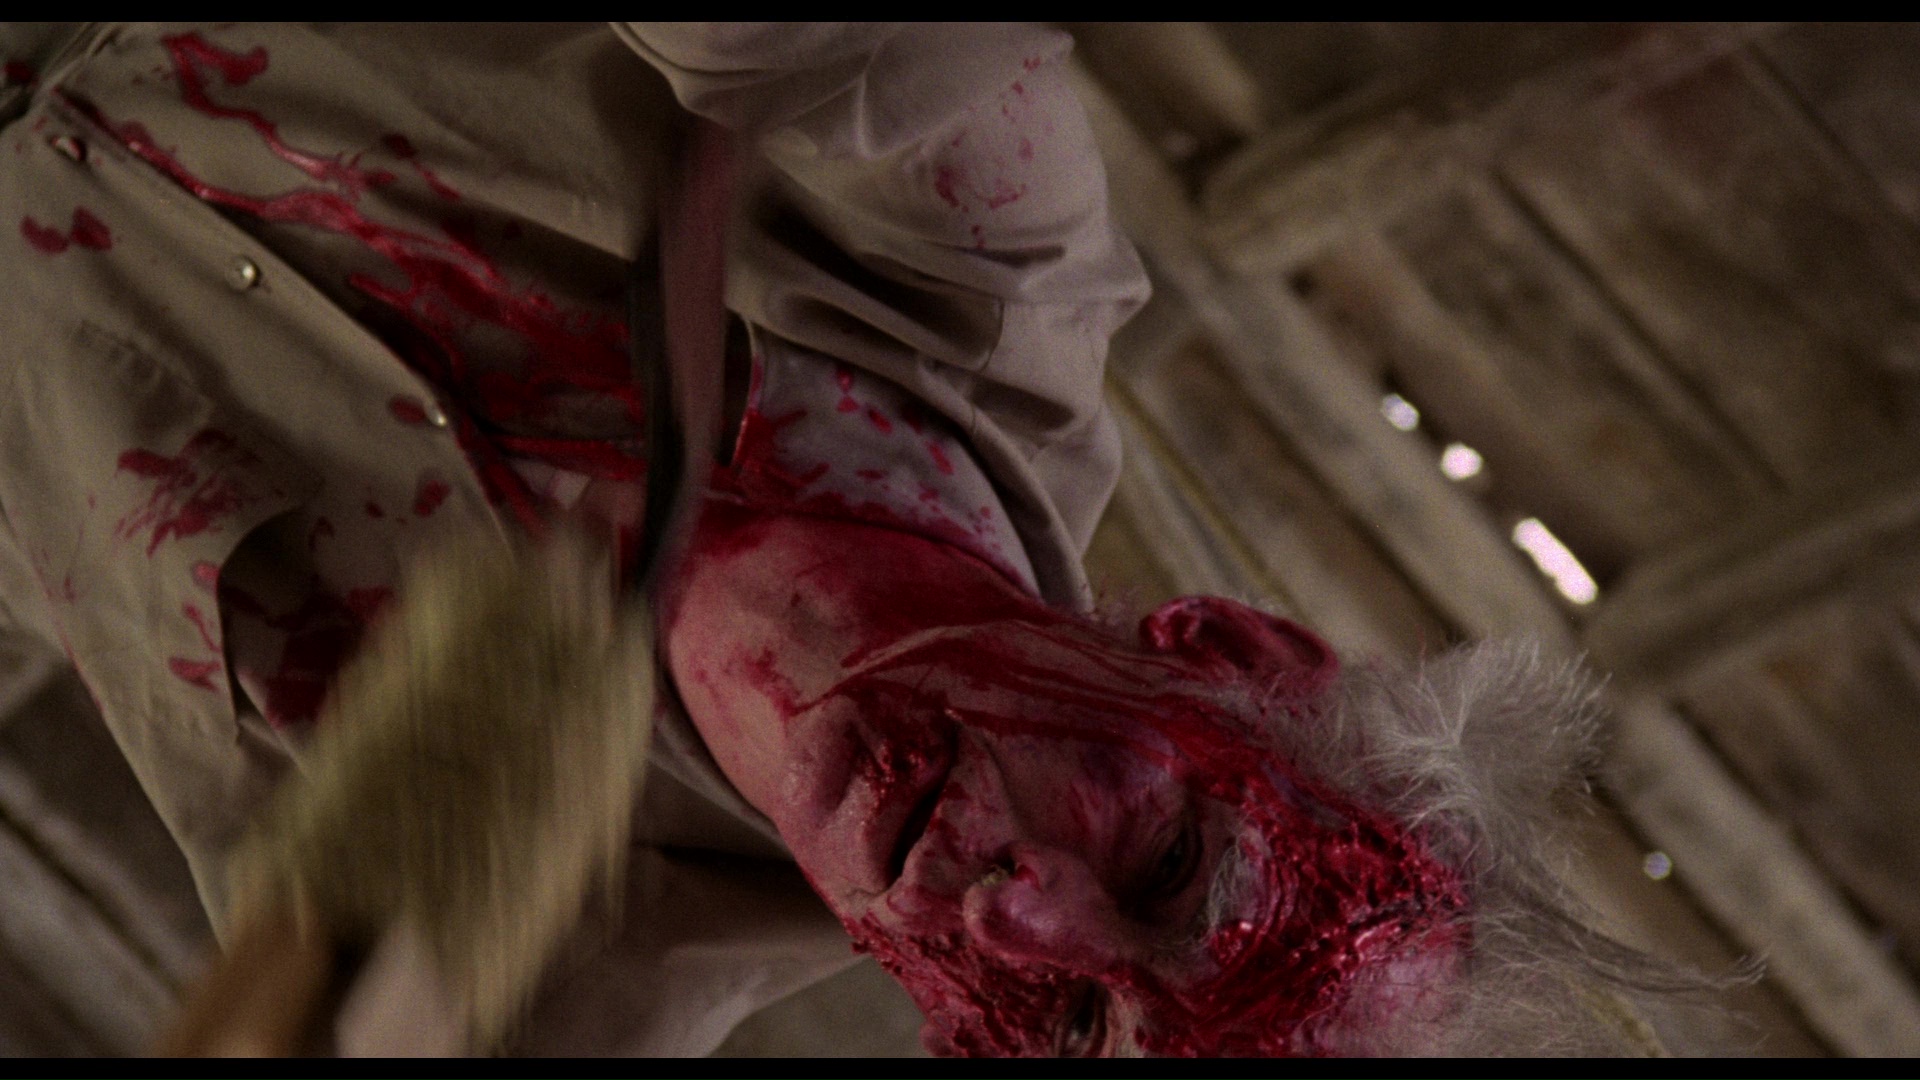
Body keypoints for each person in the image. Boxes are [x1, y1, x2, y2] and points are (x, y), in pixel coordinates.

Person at [0, 22, 1697, 1055]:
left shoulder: (537, 988)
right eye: (1167, 869)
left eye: (1068, 1034)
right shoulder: (973, 238)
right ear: (1233, 655)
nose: (1023, 916)